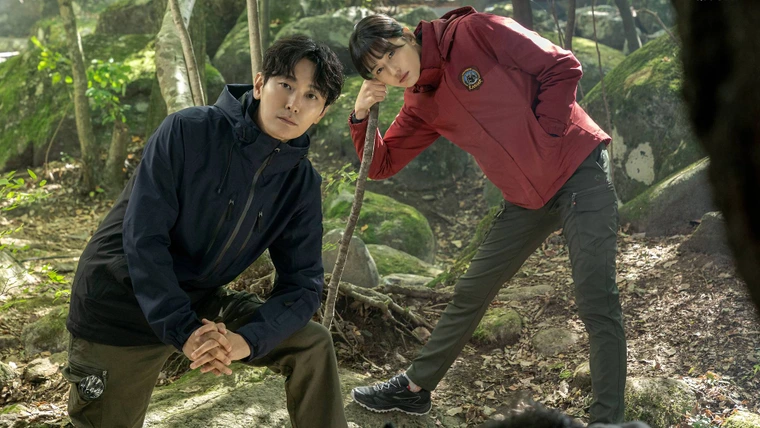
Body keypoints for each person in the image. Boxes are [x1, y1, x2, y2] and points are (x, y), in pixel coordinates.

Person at [346, 7, 626, 425]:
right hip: (526, 200)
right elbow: (380, 164)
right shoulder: (420, 101)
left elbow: (562, 65)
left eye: (391, 54)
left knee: (595, 299)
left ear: (406, 34)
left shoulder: (475, 32)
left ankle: (608, 420)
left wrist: (548, 136)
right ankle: (414, 389)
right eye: (379, 71)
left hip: (577, 168)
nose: (392, 70)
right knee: (471, 291)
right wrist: (360, 116)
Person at [63, 35, 347, 428]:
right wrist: (186, 332)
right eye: (286, 85)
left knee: (312, 343)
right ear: (260, 84)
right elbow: (144, 240)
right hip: (120, 306)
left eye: (311, 95)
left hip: (200, 301)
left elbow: (303, 284)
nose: (294, 103)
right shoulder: (188, 131)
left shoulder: (300, 183)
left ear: (322, 112)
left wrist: (245, 340)